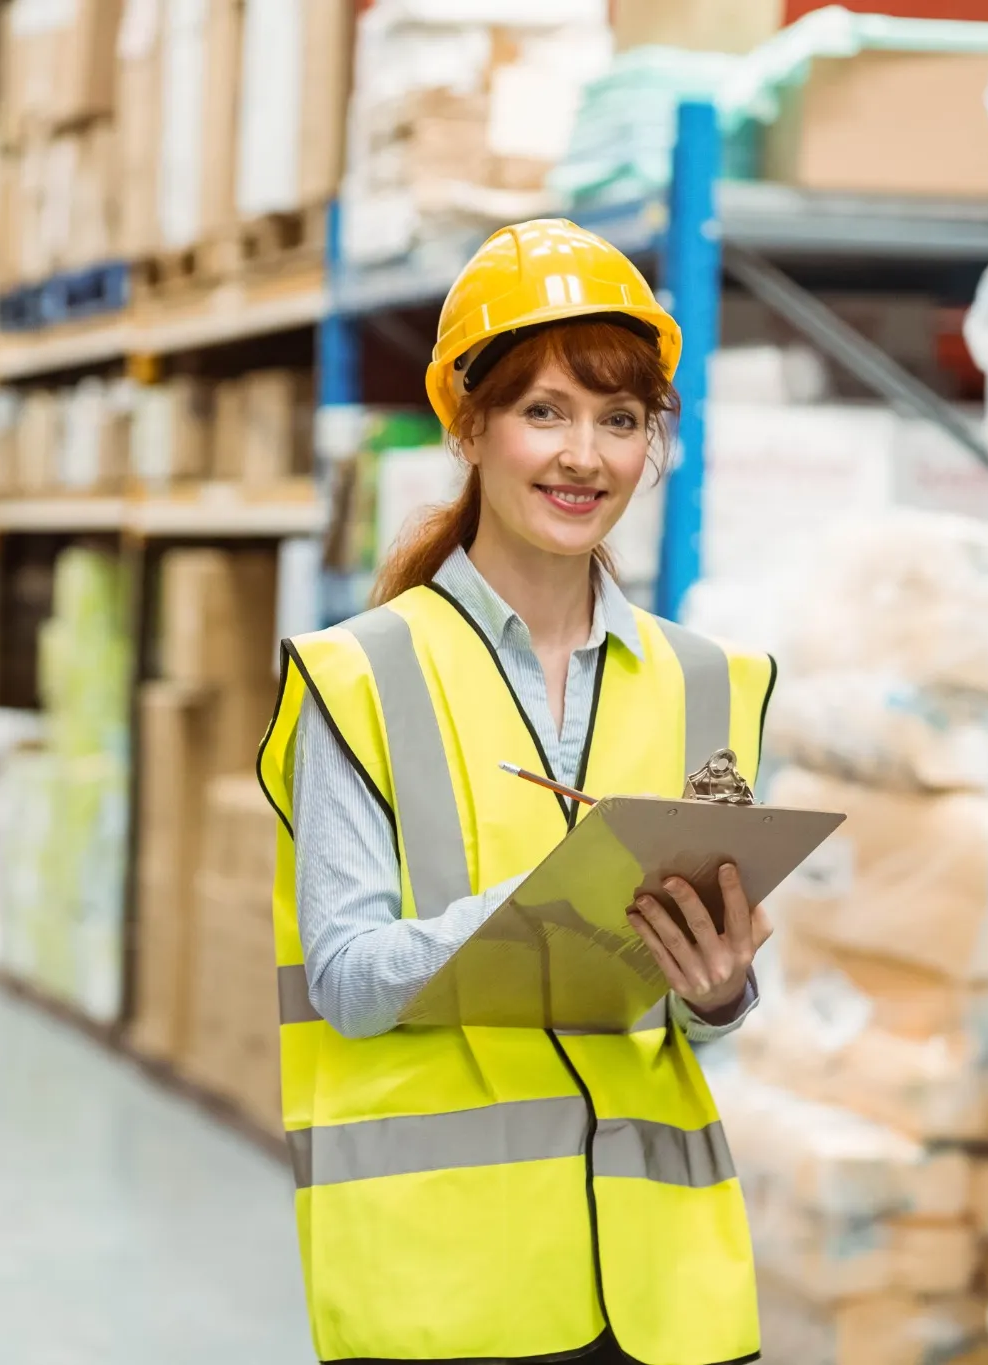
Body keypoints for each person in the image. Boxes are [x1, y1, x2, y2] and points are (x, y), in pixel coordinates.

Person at [255, 220, 774, 1365]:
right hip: (451, 1289)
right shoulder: (360, 677)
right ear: (467, 424)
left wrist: (720, 993)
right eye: (544, 411)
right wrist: (537, 914)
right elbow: (344, 979)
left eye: (619, 419)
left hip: (668, 1293)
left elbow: (700, 1009)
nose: (582, 456)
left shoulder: (709, 684)